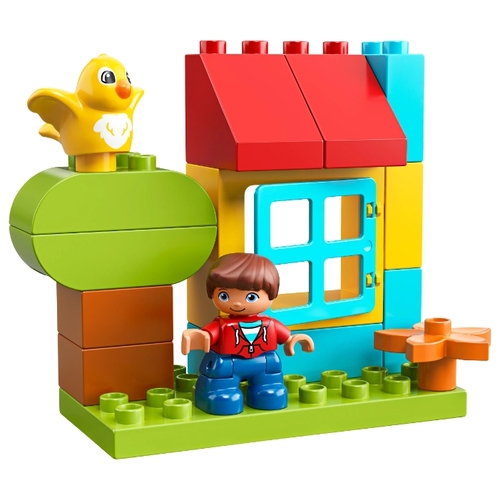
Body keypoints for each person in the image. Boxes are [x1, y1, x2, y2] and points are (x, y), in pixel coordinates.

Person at [182, 252, 314, 415]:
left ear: (272, 295)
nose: (237, 303)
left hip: (265, 362)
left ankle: (267, 389)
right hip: (227, 364)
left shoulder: (270, 324)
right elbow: (207, 335)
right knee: (223, 393)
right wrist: (199, 337)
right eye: (224, 295)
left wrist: (293, 340)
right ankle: (218, 394)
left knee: (271, 389)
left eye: (251, 297)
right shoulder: (221, 325)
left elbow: (286, 337)